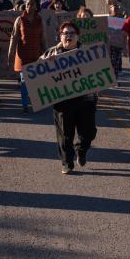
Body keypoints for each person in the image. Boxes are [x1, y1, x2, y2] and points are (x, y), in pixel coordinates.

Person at [43, 22, 98, 174]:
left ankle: (81, 149)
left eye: (72, 33)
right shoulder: (51, 53)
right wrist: (48, 64)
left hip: (85, 99)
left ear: (78, 35)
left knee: (88, 132)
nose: (68, 36)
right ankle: (67, 163)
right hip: (63, 100)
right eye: (65, 33)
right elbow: (38, 73)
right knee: (65, 135)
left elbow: (99, 70)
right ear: (60, 36)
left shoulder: (87, 52)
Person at [8, 0, 45, 113]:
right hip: (23, 55)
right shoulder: (19, 19)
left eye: (32, 4)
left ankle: (35, 102)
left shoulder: (40, 20)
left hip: (36, 54)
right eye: (28, 4)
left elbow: (43, 38)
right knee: (24, 82)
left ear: (36, 7)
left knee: (35, 81)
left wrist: (47, 52)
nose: (30, 6)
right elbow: (14, 38)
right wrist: (10, 54)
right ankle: (25, 105)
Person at [108, 1, 125, 82]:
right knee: (111, 63)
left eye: (116, 9)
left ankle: (115, 78)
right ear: (110, 10)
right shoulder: (107, 19)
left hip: (118, 45)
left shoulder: (122, 19)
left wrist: (125, 46)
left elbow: (124, 34)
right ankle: (112, 79)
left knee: (116, 63)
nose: (115, 10)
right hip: (110, 45)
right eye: (113, 8)